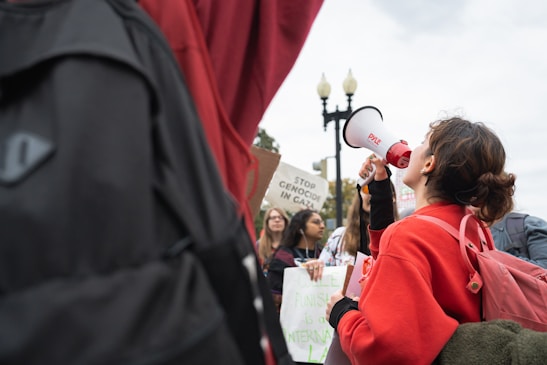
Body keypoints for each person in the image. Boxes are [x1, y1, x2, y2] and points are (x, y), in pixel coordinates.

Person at [325, 116, 516, 364]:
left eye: (422, 143)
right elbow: (395, 255)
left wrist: (342, 314)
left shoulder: (407, 235)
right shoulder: (473, 227)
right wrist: (381, 186)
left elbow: (384, 351)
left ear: (429, 163)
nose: (411, 149)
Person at [267, 209, 326, 313]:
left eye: (322, 222)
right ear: (300, 228)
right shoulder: (282, 258)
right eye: (316, 222)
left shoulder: (325, 255)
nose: (322, 226)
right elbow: (273, 294)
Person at [257, 207, 290, 274]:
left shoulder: (292, 244)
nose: (277, 220)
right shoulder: (258, 245)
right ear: (267, 222)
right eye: (273, 218)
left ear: (285, 222)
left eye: (280, 218)